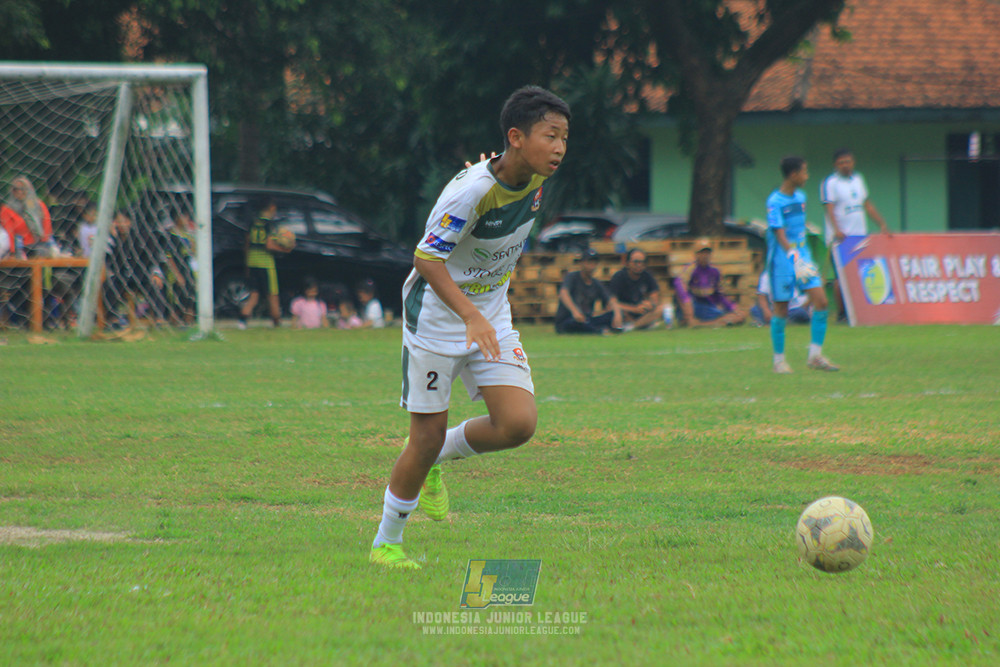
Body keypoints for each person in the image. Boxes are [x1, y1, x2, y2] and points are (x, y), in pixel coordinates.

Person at [370, 85, 570, 570]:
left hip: (489, 313)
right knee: (424, 437)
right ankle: (386, 544)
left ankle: (437, 461)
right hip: (437, 318)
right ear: (517, 137)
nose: (560, 147)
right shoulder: (473, 191)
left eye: (565, 137)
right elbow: (426, 257)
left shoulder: (533, 174)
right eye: (551, 135)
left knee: (518, 424)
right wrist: (470, 315)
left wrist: (483, 313)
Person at [766, 156, 838, 374]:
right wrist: (793, 256)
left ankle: (815, 356)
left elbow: (799, 230)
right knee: (781, 308)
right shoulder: (775, 202)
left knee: (822, 301)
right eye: (804, 172)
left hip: (802, 256)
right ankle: (779, 361)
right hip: (782, 259)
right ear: (793, 174)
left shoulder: (801, 197)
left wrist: (804, 255)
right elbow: (779, 233)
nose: (807, 176)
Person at [820, 148, 890, 321]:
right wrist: (836, 229)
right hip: (842, 238)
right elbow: (829, 208)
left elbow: (867, 204)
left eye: (848, 161)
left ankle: (858, 311)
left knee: (860, 274)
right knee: (841, 278)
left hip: (860, 236)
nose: (845, 165)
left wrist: (881, 223)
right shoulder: (830, 183)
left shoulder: (858, 179)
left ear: (853, 162)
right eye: (842, 162)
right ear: (836, 165)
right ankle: (842, 313)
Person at [238, 199, 292, 329]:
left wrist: (247, 264)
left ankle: (242, 321)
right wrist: (285, 249)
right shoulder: (269, 225)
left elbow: (246, 244)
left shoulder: (252, 223)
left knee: (254, 295)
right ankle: (277, 324)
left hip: (252, 261)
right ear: (272, 207)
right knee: (272, 294)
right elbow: (268, 245)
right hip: (266, 263)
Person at [673, 239, 747, 327]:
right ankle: (706, 323)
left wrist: (735, 308)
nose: (705, 256)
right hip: (694, 305)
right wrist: (688, 311)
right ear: (696, 254)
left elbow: (720, 296)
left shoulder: (714, 271)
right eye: (702, 253)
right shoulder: (690, 269)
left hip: (707, 305)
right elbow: (680, 287)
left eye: (707, 253)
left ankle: (707, 323)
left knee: (738, 317)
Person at [554, 247, 623, 334]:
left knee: (609, 316)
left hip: (586, 319)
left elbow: (611, 299)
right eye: (589, 262)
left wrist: (617, 313)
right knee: (575, 324)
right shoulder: (572, 277)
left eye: (594, 263)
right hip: (569, 319)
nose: (592, 266)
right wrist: (575, 312)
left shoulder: (596, 283)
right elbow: (563, 293)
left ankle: (599, 329)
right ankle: (598, 331)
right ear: (581, 263)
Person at [608, 247, 665, 331]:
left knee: (662, 308)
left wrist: (650, 304)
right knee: (615, 311)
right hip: (625, 311)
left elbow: (654, 297)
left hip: (641, 312)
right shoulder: (619, 277)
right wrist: (634, 309)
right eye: (636, 262)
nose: (639, 265)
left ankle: (633, 326)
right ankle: (641, 325)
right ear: (628, 263)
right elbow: (612, 303)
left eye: (642, 262)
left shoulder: (647, 276)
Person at [1, 177, 53, 254]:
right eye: (16, 189)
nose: (19, 191)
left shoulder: (38, 205)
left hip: (41, 244)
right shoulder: (7, 210)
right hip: (21, 248)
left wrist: (45, 241)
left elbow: (47, 225)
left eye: (23, 188)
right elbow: (9, 232)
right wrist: (12, 252)